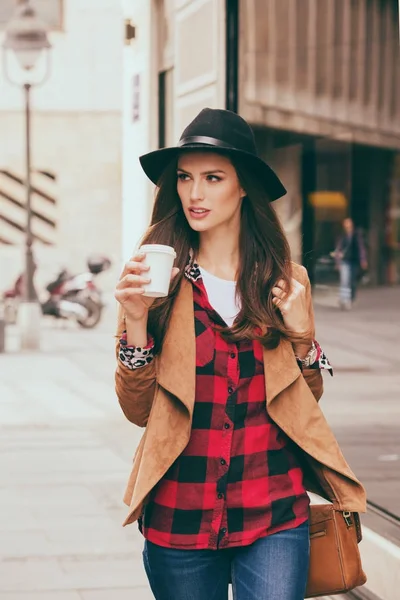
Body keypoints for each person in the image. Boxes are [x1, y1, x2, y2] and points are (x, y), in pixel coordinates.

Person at [114, 108, 366, 600]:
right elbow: (137, 411)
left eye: (213, 178)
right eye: (185, 178)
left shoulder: (285, 281)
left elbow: (304, 403)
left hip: (273, 509)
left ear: (244, 185)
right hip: (179, 515)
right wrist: (138, 322)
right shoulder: (154, 275)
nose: (194, 193)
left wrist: (303, 337)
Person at [334, 218, 368, 310]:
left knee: (352, 281)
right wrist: (337, 262)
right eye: (345, 224)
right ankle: (345, 300)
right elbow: (338, 249)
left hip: (354, 261)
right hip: (345, 261)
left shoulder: (356, 235)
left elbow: (361, 248)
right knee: (344, 281)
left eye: (348, 224)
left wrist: (363, 260)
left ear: (351, 225)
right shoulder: (342, 236)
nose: (347, 226)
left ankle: (350, 298)